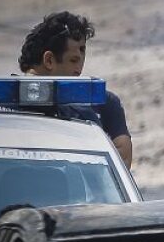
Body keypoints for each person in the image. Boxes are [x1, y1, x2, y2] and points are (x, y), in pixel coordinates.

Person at [17, 11, 134, 168]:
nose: (79, 69)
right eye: (73, 60)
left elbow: (122, 161)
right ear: (49, 60)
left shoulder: (98, 103)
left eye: (81, 58)